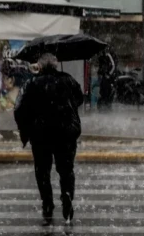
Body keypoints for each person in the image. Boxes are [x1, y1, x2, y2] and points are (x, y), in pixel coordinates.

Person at [13, 53, 83, 226]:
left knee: (42, 171)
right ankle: (67, 195)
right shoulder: (68, 80)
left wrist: (26, 127)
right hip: (65, 133)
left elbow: (19, 109)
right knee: (66, 169)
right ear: (56, 65)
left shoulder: (32, 83)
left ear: (40, 66)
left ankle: (47, 202)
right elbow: (79, 99)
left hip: (41, 134)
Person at [97, 48, 117, 112]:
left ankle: (107, 107)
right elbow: (100, 67)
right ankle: (104, 108)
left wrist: (108, 74)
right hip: (104, 77)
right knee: (103, 92)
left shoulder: (108, 56)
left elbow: (113, 66)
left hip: (107, 78)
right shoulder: (101, 57)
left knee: (107, 93)